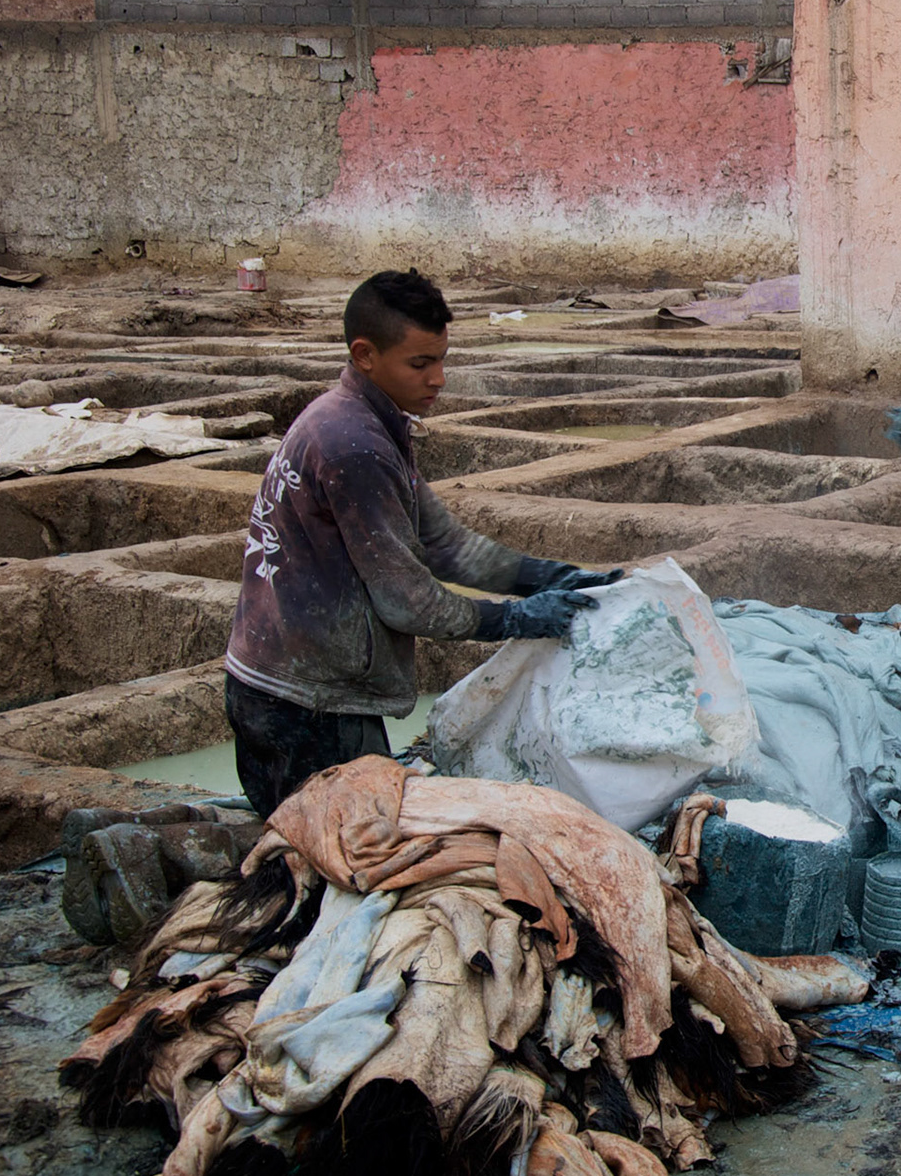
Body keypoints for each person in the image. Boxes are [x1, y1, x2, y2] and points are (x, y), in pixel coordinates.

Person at [224, 269, 621, 815]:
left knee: (299, 839)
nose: (437, 379)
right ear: (364, 354)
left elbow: (443, 544)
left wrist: (549, 576)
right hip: (307, 702)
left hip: (279, 679)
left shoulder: (368, 423)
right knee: (334, 858)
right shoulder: (353, 445)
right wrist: (514, 619)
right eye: (420, 364)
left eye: (441, 360)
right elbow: (408, 602)